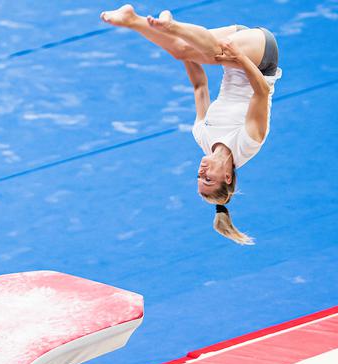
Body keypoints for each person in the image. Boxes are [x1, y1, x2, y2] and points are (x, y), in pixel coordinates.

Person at [100, 5, 281, 244]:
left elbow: (199, 86)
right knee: (210, 54)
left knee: (181, 49)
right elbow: (261, 91)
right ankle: (171, 25)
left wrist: (186, 56)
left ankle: (131, 19)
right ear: (227, 177)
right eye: (208, 179)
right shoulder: (247, 144)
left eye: (198, 176)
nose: (202, 171)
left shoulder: (202, 136)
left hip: (235, 55)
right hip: (260, 61)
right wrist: (240, 58)